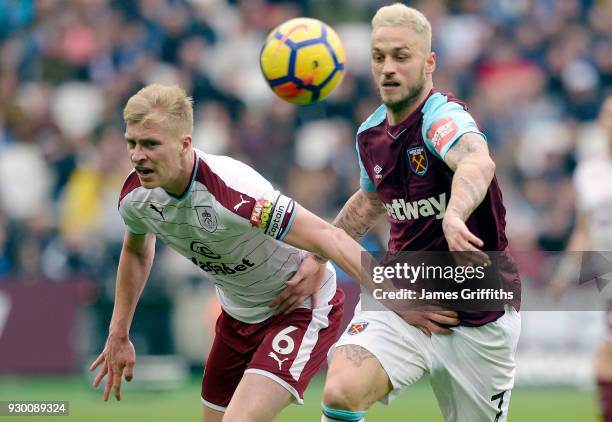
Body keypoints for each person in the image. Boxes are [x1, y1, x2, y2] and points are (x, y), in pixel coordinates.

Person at [88, 83, 442, 422]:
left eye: (150, 144)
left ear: (185, 144)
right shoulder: (136, 197)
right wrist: (118, 332)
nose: (137, 156)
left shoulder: (235, 192)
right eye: (131, 143)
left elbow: (328, 237)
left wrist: (396, 298)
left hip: (299, 308)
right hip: (236, 316)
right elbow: (137, 249)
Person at [295, 4, 522, 422]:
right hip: (405, 297)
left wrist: (454, 215)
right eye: (379, 56)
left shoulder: (442, 118)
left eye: (402, 56)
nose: (388, 68)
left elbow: (477, 161)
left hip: (476, 313)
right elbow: (370, 201)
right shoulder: (371, 135)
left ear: (429, 62)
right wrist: (317, 255)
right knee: (342, 389)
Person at [549, 94, 612, 422]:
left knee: (605, 358)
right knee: (605, 360)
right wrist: (565, 271)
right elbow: (584, 230)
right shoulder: (590, 171)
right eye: (607, 114)